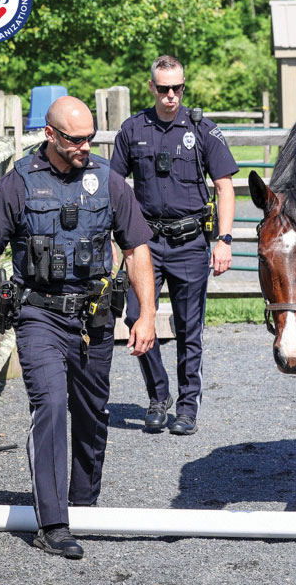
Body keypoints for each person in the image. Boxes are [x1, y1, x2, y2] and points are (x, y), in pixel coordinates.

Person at [0, 96, 156, 559]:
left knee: (92, 413)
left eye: (90, 137)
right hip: (39, 315)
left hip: (95, 316)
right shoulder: (19, 184)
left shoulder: (108, 179)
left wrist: (147, 313)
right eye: (75, 139)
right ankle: (53, 522)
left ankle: (83, 505)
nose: (84, 146)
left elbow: (136, 249)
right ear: (49, 135)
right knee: (49, 404)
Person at [110, 55, 238, 435]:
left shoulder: (202, 130)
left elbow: (224, 186)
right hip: (145, 244)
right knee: (136, 316)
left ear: (184, 86)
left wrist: (224, 240)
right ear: (151, 87)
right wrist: (115, 242)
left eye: (177, 88)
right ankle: (158, 393)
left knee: (188, 329)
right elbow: (115, 188)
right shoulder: (133, 130)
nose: (170, 96)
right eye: (163, 88)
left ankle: (187, 406)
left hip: (189, 243)